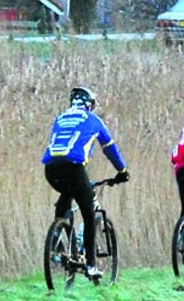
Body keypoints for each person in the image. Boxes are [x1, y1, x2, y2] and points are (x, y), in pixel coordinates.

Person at [42, 86, 129, 282]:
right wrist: (122, 171)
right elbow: (110, 148)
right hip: (74, 167)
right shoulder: (93, 120)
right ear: (90, 105)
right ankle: (90, 265)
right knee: (89, 214)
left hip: (50, 168)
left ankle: (57, 241)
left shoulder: (60, 118)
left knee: (67, 194)